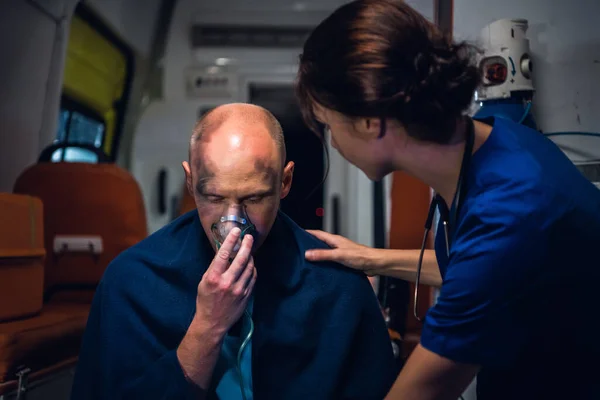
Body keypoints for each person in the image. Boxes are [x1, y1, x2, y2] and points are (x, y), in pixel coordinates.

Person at [294, 1, 600, 399]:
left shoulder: (512, 215)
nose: (333, 141)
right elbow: (480, 270)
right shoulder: (499, 138)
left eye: (328, 124)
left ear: (371, 121)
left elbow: (420, 393)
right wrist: (370, 259)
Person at [70, 103, 397, 400]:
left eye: (254, 199)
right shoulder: (132, 279)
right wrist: (207, 328)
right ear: (190, 180)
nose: (234, 225)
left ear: (285, 182)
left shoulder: (338, 285)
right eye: (213, 198)